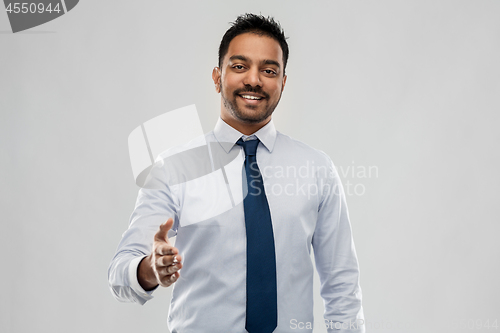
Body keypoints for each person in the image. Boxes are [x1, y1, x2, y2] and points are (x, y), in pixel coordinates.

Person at [108, 13, 365, 333]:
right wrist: (151, 269)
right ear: (217, 77)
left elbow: (341, 286)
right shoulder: (173, 169)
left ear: (283, 82)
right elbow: (121, 272)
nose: (254, 80)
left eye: (269, 70)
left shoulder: (316, 169)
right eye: (240, 66)